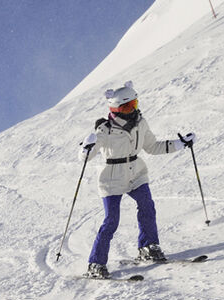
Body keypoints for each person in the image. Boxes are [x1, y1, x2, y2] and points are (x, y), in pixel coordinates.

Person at [80, 82, 196, 279]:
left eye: (134, 104)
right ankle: (96, 264)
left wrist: (180, 144)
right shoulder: (104, 131)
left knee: (147, 206)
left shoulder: (141, 123)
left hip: (136, 173)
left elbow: (152, 147)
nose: (132, 110)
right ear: (115, 110)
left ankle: (148, 247)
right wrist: (86, 147)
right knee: (111, 221)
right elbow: (85, 157)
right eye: (127, 107)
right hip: (112, 178)